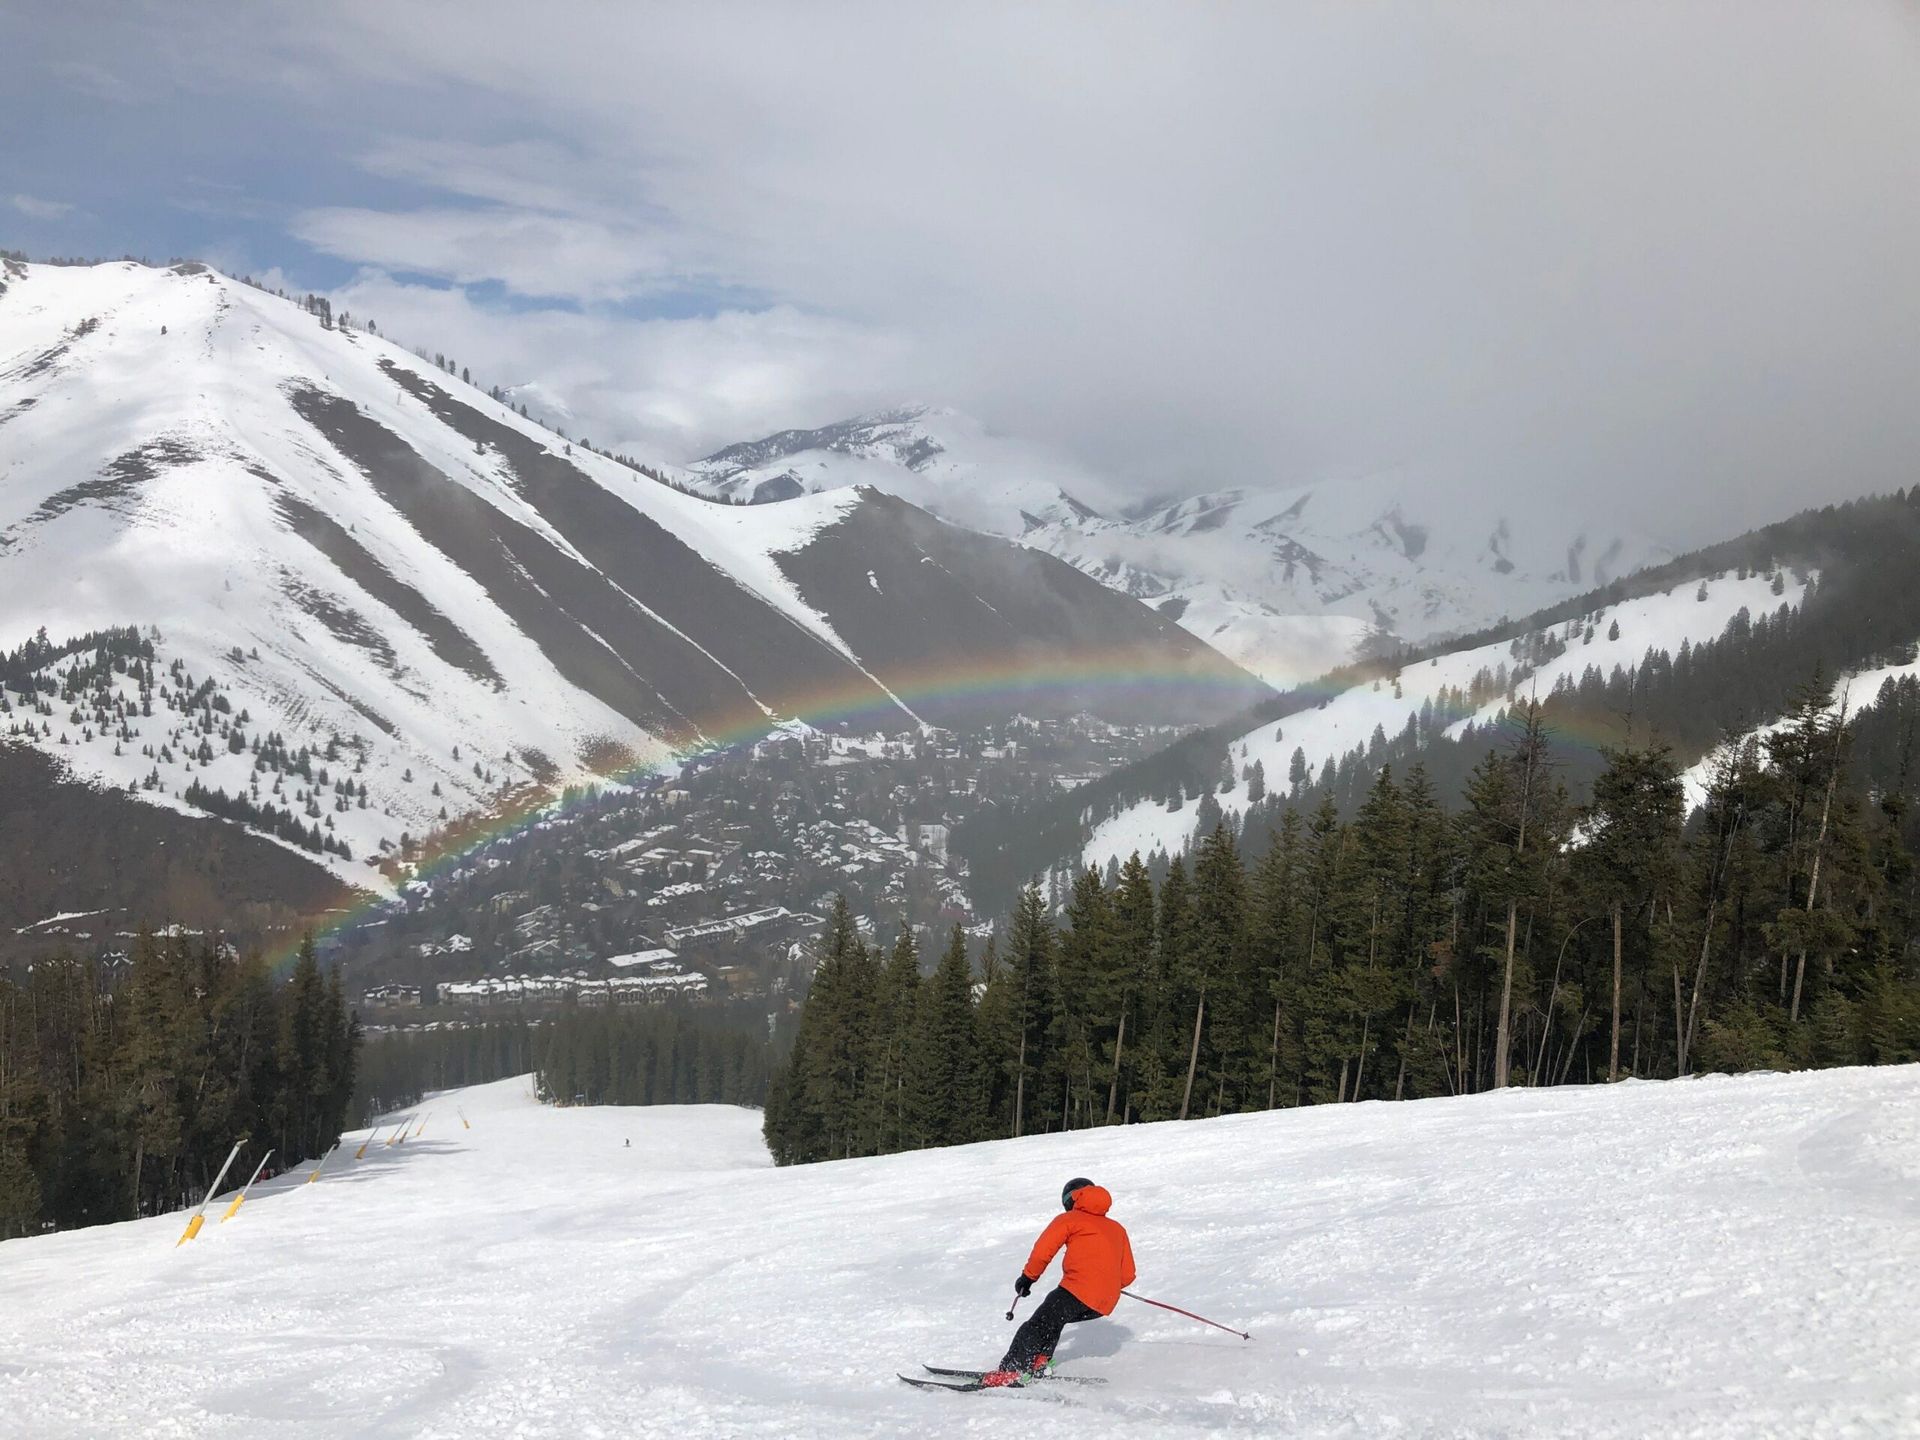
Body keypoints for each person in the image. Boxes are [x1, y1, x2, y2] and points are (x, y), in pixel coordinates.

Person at [984, 1177, 1135, 1386]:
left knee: (1037, 1325)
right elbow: (1127, 1275)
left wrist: (1028, 1278)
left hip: (1078, 1290)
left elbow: (1042, 1252)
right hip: (1104, 1303)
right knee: (1053, 1319)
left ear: (1071, 1200)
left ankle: (1013, 1369)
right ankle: (1040, 1363)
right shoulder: (1117, 1228)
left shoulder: (1070, 1219)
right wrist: (1103, 1282)